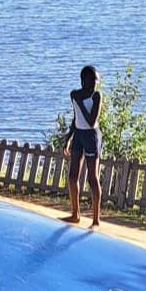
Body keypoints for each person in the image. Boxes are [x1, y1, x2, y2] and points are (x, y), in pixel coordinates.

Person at [62, 65, 104, 227]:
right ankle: (75, 213)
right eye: (92, 81)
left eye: (96, 81)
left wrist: (79, 102)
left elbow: (92, 121)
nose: (95, 84)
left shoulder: (96, 96)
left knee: (93, 178)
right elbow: (76, 118)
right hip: (79, 134)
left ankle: (96, 219)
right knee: (73, 176)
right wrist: (68, 138)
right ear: (83, 80)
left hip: (91, 136)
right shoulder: (74, 94)